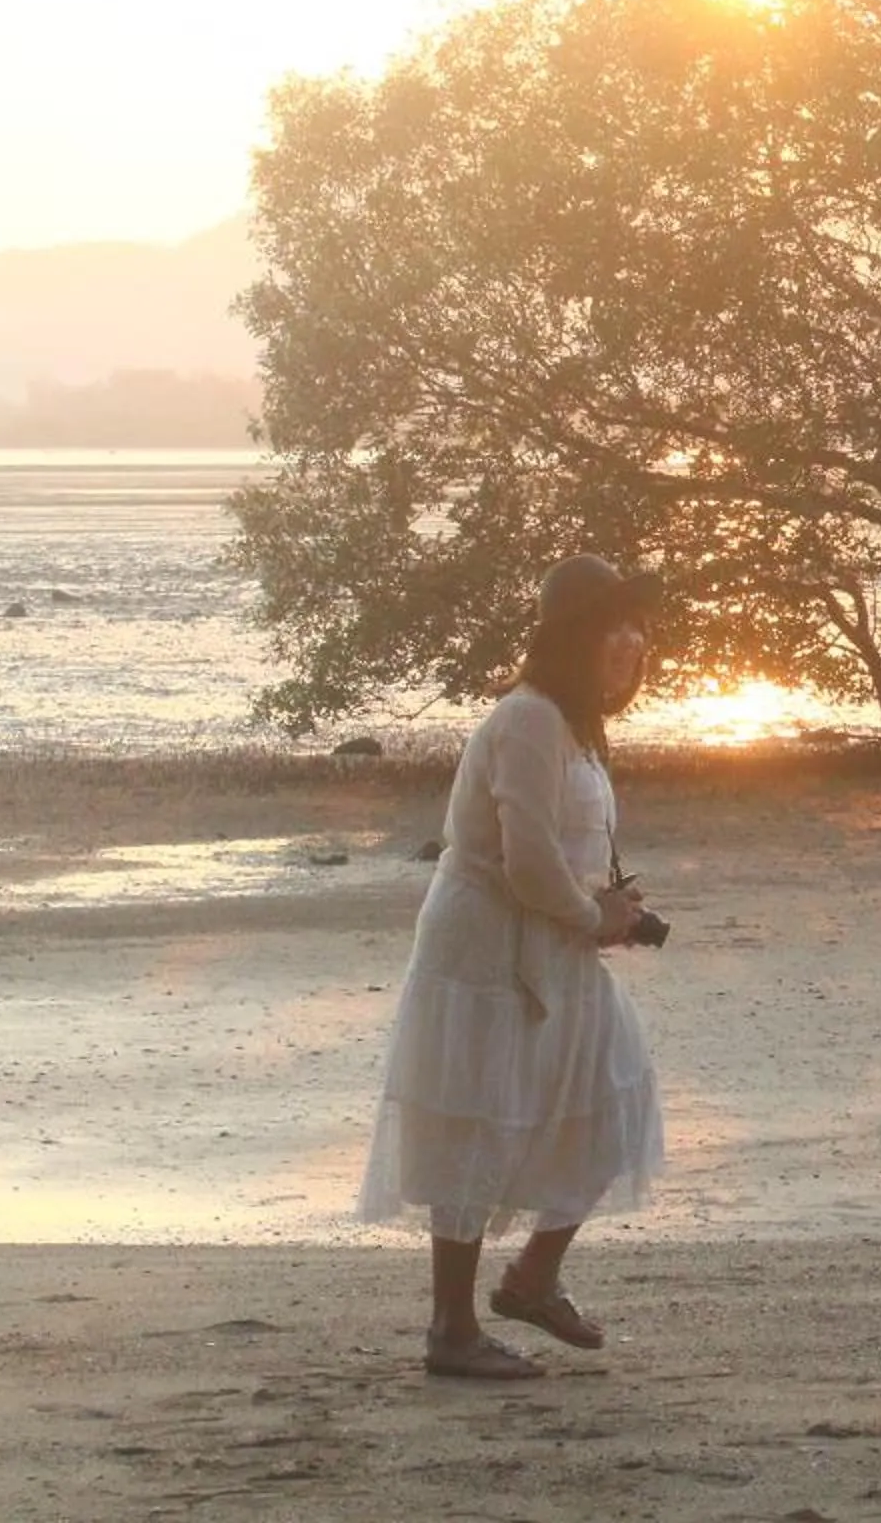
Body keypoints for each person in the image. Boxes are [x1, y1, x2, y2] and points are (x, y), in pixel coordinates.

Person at [355, 554, 666, 1380]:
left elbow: (558, 852)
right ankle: (451, 1330)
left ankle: (532, 1277)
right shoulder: (528, 719)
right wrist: (593, 915)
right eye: (616, 627)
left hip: (552, 940)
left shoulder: (572, 722)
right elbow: (526, 862)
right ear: (575, 638)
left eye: (638, 628)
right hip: (486, 945)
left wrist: (609, 909)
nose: (634, 641)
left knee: (614, 1093)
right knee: (475, 1121)